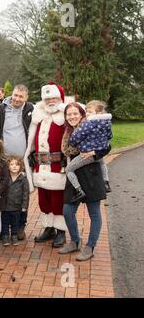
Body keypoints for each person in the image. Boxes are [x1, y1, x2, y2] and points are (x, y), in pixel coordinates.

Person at [59, 102, 110, 261]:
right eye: (69, 114)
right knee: (67, 211)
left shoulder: (91, 125)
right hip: (74, 176)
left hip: (91, 174)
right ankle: (75, 241)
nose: (72, 116)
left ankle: (90, 246)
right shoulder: (67, 132)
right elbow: (66, 152)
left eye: (75, 113)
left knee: (94, 214)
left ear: (82, 114)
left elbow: (107, 146)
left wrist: (94, 154)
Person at [24, 82, 68, 248]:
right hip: (40, 167)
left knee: (58, 200)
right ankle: (49, 228)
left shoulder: (65, 116)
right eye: (47, 98)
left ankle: (61, 231)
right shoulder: (38, 116)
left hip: (58, 167)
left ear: (60, 98)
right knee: (44, 199)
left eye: (53, 98)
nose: (50, 101)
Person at [0, 85, 34, 240]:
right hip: (3, 161)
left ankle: (20, 227)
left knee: (22, 195)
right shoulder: (0, 109)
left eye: (21, 97)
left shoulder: (30, 109)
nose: (17, 99)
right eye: (15, 95)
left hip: (22, 162)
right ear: (12, 94)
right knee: (3, 194)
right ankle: (3, 229)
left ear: (26, 98)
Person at [66, 100, 112, 202]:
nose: (87, 114)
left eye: (89, 111)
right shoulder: (106, 123)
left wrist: (73, 142)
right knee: (102, 162)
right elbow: (109, 137)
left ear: (98, 113)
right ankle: (106, 182)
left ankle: (79, 190)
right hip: (97, 153)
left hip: (87, 156)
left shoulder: (87, 124)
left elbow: (76, 138)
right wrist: (99, 148)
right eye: (86, 111)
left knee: (68, 169)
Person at [2, 156, 29, 246]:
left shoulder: (23, 179)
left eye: (17, 164)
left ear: (21, 166)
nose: (14, 166)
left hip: (17, 206)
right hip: (5, 206)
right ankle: (5, 236)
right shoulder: (5, 177)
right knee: (5, 222)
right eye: (11, 164)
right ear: (8, 166)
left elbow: (26, 194)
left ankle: (14, 235)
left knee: (15, 222)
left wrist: (24, 206)